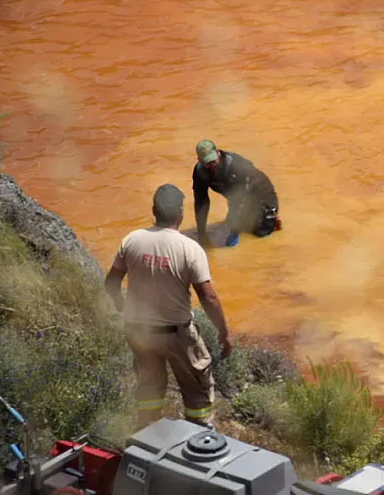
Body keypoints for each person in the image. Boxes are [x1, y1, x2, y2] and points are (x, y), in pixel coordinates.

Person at [104, 184, 232, 428]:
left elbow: (111, 282)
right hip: (177, 335)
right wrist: (223, 332)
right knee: (198, 395)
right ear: (180, 214)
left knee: (149, 390)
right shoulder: (189, 249)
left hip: (139, 332)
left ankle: (148, 436)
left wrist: (122, 305)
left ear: (154, 210)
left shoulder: (132, 240)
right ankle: (199, 439)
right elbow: (209, 298)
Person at [192, 139, 280, 246]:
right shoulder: (200, 173)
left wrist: (234, 231)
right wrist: (202, 233)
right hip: (237, 199)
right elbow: (201, 202)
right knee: (232, 224)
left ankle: (272, 218)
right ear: (200, 161)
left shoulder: (236, 165)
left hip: (262, 194)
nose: (212, 164)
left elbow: (243, 197)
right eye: (207, 162)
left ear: (218, 153)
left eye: (213, 160)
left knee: (260, 234)